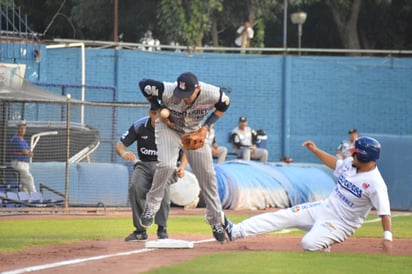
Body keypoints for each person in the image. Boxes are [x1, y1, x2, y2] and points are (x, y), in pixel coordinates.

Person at [223, 136, 392, 254]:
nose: (352, 155)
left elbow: (385, 212)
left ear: (365, 156)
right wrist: (316, 150)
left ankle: (322, 244)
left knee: (308, 244)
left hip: (341, 224)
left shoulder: (376, 183)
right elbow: (336, 164)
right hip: (323, 208)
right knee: (283, 216)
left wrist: (387, 238)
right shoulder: (350, 164)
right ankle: (235, 231)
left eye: (356, 152)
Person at [138, 71, 231, 243]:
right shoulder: (167, 90)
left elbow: (225, 104)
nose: (185, 98)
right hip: (169, 129)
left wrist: (207, 126)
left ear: (198, 89)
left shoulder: (212, 93)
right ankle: (151, 207)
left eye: (188, 94)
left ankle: (216, 220)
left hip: (194, 131)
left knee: (208, 177)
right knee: (166, 165)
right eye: (182, 94)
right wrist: (157, 108)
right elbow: (143, 84)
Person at [115, 107, 187, 242]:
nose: (161, 119)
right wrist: (124, 153)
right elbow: (120, 145)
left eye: (163, 116)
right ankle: (140, 231)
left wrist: (182, 167)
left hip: (166, 165)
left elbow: (186, 150)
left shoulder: (172, 127)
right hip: (144, 164)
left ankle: (162, 228)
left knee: (162, 190)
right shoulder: (140, 125)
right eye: (157, 115)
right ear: (150, 113)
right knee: (135, 187)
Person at [9, 120, 36, 192]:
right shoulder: (15, 139)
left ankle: (25, 202)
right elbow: (25, 152)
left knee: (24, 186)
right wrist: (26, 153)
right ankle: (36, 199)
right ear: (17, 129)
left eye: (24, 128)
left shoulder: (24, 140)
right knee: (29, 179)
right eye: (21, 128)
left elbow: (30, 153)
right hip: (18, 163)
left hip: (25, 164)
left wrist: (27, 153)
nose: (23, 130)